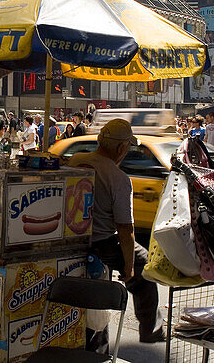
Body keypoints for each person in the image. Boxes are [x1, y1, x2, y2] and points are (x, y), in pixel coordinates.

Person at [67, 119, 163, 345]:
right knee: (145, 268)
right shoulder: (118, 178)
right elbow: (125, 228)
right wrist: (129, 267)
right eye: (127, 147)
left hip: (71, 237)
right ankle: (150, 328)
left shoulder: (76, 159)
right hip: (101, 243)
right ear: (121, 148)